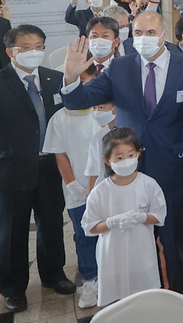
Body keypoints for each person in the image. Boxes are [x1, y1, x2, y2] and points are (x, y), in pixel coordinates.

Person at [60, 12, 183, 295]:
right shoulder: (119, 67)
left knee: (174, 243)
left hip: (174, 171)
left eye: (150, 32)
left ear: (164, 35)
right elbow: (78, 99)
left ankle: (179, 297)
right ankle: (145, 296)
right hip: (128, 172)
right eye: (138, 33)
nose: (144, 38)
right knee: (136, 241)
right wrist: (70, 78)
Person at [0, 25, 75, 313]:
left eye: (39, 46)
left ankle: (54, 275)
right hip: (12, 167)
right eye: (26, 47)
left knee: (52, 224)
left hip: (49, 166)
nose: (34, 51)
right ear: (10, 52)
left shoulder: (53, 79)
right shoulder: (3, 81)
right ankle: (13, 287)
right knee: (13, 231)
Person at [41, 64, 103, 308]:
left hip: (108, 187)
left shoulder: (104, 112)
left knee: (110, 233)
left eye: (86, 83)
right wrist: (72, 184)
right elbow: (60, 154)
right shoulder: (61, 117)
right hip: (77, 189)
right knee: (84, 234)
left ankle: (112, 276)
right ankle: (90, 278)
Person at [82, 128, 166, 306]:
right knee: (118, 305)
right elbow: (89, 227)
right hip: (113, 257)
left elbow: (159, 216)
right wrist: (111, 222)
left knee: (145, 302)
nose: (126, 161)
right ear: (107, 160)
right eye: (119, 158)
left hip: (142, 255)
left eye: (130, 155)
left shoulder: (148, 185)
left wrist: (142, 217)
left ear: (138, 154)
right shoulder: (100, 192)